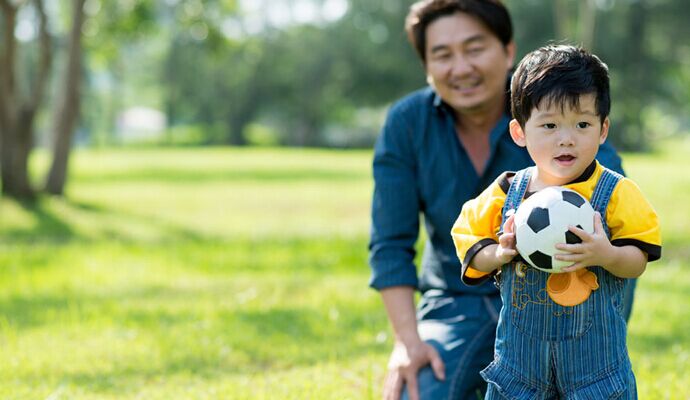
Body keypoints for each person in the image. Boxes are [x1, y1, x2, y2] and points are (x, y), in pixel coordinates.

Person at [368, 1, 629, 400]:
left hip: (560, 297)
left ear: (508, 51)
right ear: (426, 65)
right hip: (457, 303)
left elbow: (616, 216)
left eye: (474, 48)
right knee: (419, 392)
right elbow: (390, 245)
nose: (461, 68)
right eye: (442, 54)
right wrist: (407, 342)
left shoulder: (558, 114)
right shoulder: (407, 123)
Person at [451, 44, 662, 398]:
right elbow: (471, 246)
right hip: (520, 367)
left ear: (603, 129)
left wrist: (606, 255)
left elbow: (637, 260)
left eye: (582, 124)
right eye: (549, 125)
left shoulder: (617, 192)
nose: (566, 138)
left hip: (596, 368)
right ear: (519, 133)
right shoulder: (507, 191)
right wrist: (500, 254)